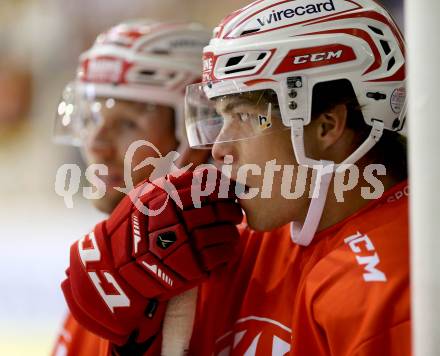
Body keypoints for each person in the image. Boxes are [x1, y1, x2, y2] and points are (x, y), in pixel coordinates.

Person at [61, 0, 410, 355]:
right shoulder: (233, 243)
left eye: (245, 116)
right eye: (221, 117)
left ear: (327, 126)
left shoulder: (389, 281)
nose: (218, 149)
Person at [51, 20, 210, 355]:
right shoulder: (108, 268)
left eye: (127, 123)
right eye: (92, 118)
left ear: (198, 131)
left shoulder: (253, 262)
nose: (97, 145)